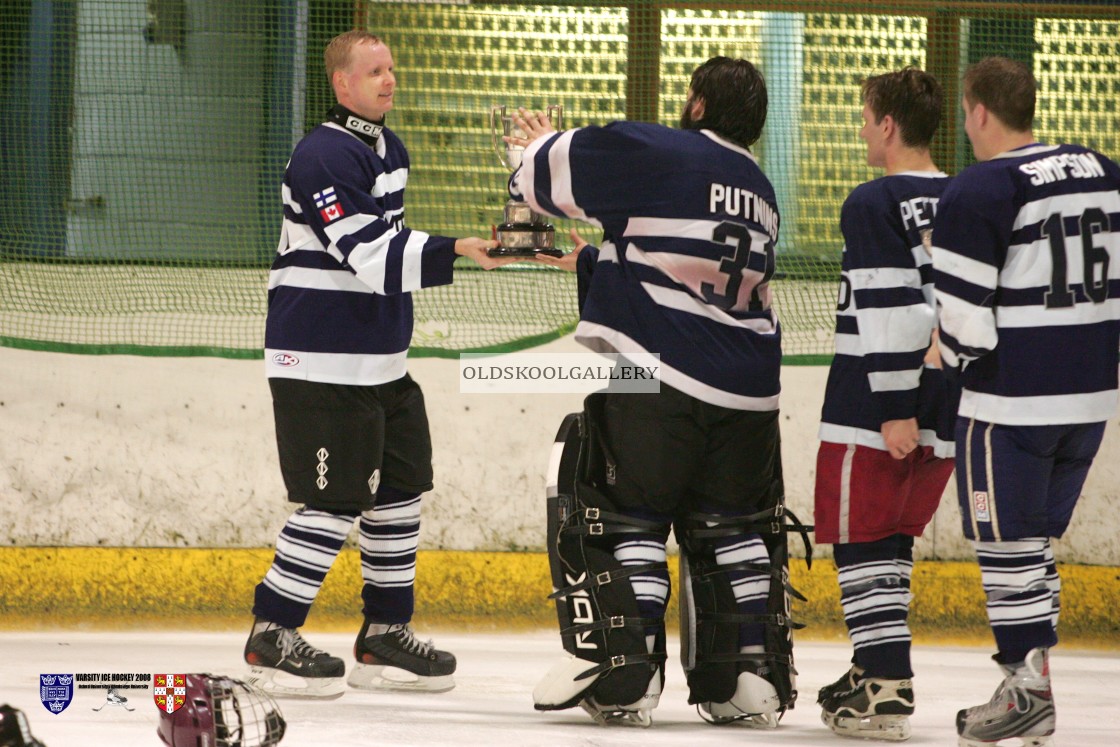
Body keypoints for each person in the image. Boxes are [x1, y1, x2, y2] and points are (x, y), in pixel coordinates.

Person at [511, 57, 807, 728]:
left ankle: (629, 672)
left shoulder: (657, 148)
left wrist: (528, 145)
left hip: (660, 378)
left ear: (697, 105)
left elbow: (538, 178)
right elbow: (691, 265)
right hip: (750, 395)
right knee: (732, 527)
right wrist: (595, 260)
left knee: (626, 516)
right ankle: (750, 677)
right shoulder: (761, 188)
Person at [245, 29, 509, 699]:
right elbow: (366, 254)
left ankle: (384, 635)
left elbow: (386, 251)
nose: (389, 80)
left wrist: (456, 250)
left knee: (398, 495)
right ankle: (272, 635)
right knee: (332, 503)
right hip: (321, 364)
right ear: (342, 84)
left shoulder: (389, 149)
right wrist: (459, 250)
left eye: (392, 68)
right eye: (374, 71)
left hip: (382, 363)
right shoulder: (322, 155)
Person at [931, 56, 1120, 747]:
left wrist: (947, 362)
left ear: (978, 111)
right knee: (1032, 541)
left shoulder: (981, 188)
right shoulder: (1104, 169)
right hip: (1091, 399)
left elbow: (965, 324)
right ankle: (1030, 679)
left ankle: (1026, 688)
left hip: (1011, 404)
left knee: (1004, 543)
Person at [812, 68, 957, 742]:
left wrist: (895, 406)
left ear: (889, 124)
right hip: (952, 400)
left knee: (862, 534)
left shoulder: (875, 202)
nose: (862, 128)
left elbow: (890, 303)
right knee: (892, 535)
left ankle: (885, 680)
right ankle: (875, 663)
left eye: (867, 116)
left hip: (875, 399)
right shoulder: (971, 195)